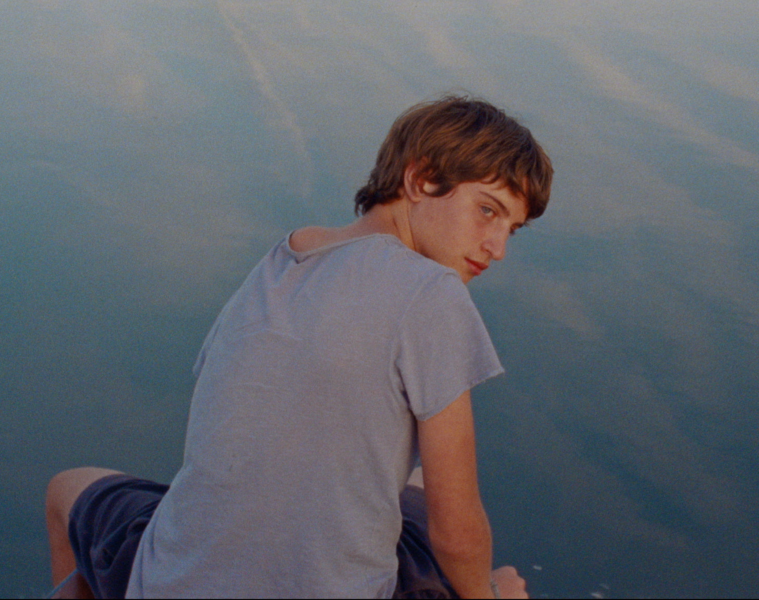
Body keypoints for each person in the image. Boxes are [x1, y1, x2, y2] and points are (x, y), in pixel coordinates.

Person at [46, 95, 553, 599]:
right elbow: (455, 532)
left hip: (166, 581)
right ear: (420, 179)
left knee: (69, 490)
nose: (498, 248)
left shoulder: (283, 259)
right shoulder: (432, 293)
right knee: (487, 567)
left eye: (511, 229)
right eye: (487, 210)